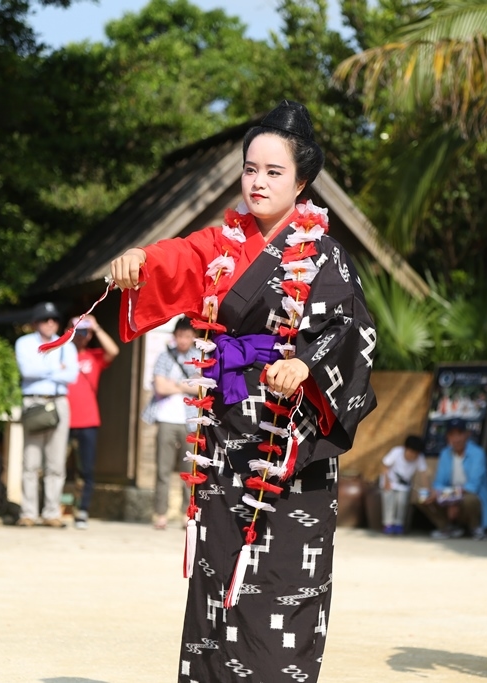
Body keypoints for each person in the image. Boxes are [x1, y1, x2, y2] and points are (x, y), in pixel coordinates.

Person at [109, 100, 376, 682]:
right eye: (250, 168)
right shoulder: (223, 244)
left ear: (302, 182)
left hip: (290, 444)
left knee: (280, 586)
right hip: (225, 435)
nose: (257, 182)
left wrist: (304, 365)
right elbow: (173, 257)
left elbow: (350, 329)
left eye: (273, 172)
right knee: (215, 576)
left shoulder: (326, 255)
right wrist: (139, 257)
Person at [15, 302, 78, 528]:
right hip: (33, 401)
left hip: (58, 402)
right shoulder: (24, 342)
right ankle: (28, 512)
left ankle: (52, 512)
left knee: (56, 461)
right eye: (44, 319)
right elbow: (27, 371)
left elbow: (72, 375)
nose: (50, 323)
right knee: (30, 460)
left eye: (53, 319)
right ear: (35, 323)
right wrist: (56, 369)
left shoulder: (67, 344)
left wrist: (44, 368)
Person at [66, 314, 119, 530]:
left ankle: (83, 511)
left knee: (86, 470)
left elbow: (113, 351)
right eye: (77, 331)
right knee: (58, 467)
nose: (80, 335)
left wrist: (95, 327)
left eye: (83, 332)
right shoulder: (62, 355)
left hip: (88, 420)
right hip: (64, 420)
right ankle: (58, 507)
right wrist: (70, 329)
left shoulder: (94, 356)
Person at [149, 316, 200, 531]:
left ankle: (185, 513)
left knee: (189, 471)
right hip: (166, 418)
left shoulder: (198, 357)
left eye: (187, 336)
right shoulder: (164, 355)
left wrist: (176, 385)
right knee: (162, 469)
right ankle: (160, 513)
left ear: (193, 337)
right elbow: (160, 386)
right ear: (174, 336)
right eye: (180, 336)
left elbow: (201, 387)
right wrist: (185, 385)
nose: (183, 340)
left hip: (190, 420)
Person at [419, 419, 487, 540]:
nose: (456, 439)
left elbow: (473, 487)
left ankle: (476, 528)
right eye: (452, 434)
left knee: (471, 499)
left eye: (460, 433)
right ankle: (446, 528)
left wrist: (452, 498)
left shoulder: (478, 454)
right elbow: (438, 483)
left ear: (467, 434)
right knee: (424, 496)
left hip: (469, 498)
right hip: (451, 497)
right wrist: (447, 498)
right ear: (447, 437)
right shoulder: (445, 454)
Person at [379, 434, 427, 534]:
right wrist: (386, 482)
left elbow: (423, 474)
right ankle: (388, 524)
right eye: (411, 452)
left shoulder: (419, 457)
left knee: (402, 503)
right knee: (389, 502)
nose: (413, 455)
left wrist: (427, 489)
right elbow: (385, 465)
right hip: (390, 482)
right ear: (405, 448)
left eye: (416, 453)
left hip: (404, 486)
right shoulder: (396, 452)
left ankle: (398, 524)